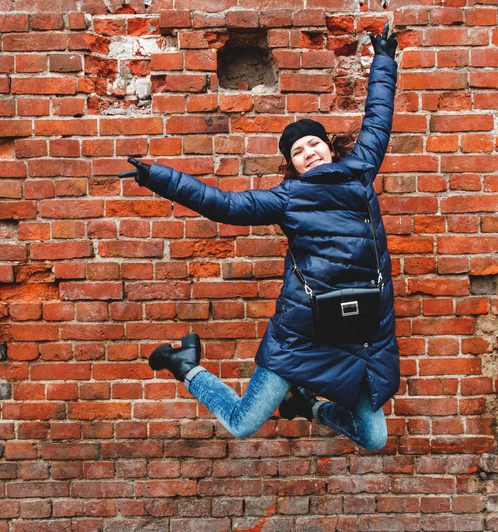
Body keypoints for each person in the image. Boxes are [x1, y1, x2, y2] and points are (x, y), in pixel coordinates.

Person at [119, 25, 400, 450]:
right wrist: (159, 178)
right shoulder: (287, 199)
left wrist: (384, 59)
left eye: (313, 143)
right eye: (298, 152)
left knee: (374, 437)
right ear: (293, 164)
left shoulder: (361, 169)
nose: (309, 152)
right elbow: (224, 205)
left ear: (328, 146)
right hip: (303, 333)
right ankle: (187, 366)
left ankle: (308, 407)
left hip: (358, 329)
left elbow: (378, 115)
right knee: (243, 423)